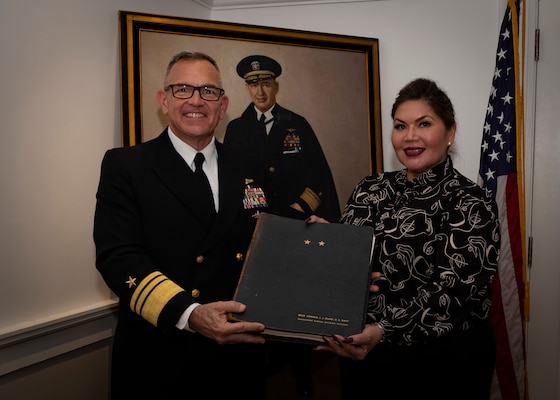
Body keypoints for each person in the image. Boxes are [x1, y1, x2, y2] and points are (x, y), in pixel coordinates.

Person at [93, 51, 271, 399]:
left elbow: (271, 243)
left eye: (208, 91)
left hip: (238, 356)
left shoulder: (250, 165)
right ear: (163, 100)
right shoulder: (127, 166)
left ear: (223, 104)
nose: (195, 100)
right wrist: (189, 314)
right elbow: (119, 257)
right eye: (182, 89)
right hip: (159, 355)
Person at [309, 78, 500, 400]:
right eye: (400, 126)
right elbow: (350, 262)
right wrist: (324, 242)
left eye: (424, 124)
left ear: (450, 132)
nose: (410, 136)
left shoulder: (471, 201)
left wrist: (382, 331)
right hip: (362, 355)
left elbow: (452, 293)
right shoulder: (370, 188)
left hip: (440, 364)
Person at [224, 55, 341, 396]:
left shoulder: (297, 124)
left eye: (265, 83)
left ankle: (302, 376)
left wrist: (292, 213)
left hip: (293, 229)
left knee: (293, 307)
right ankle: (258, 378)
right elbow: (233, 182)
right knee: (256, 306)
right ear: (246, 87)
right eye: (252, 84)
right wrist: (257, 214)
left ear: (275, 85)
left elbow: (319, 180)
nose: (259, 91)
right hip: (253, 234)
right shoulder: (236, 128)